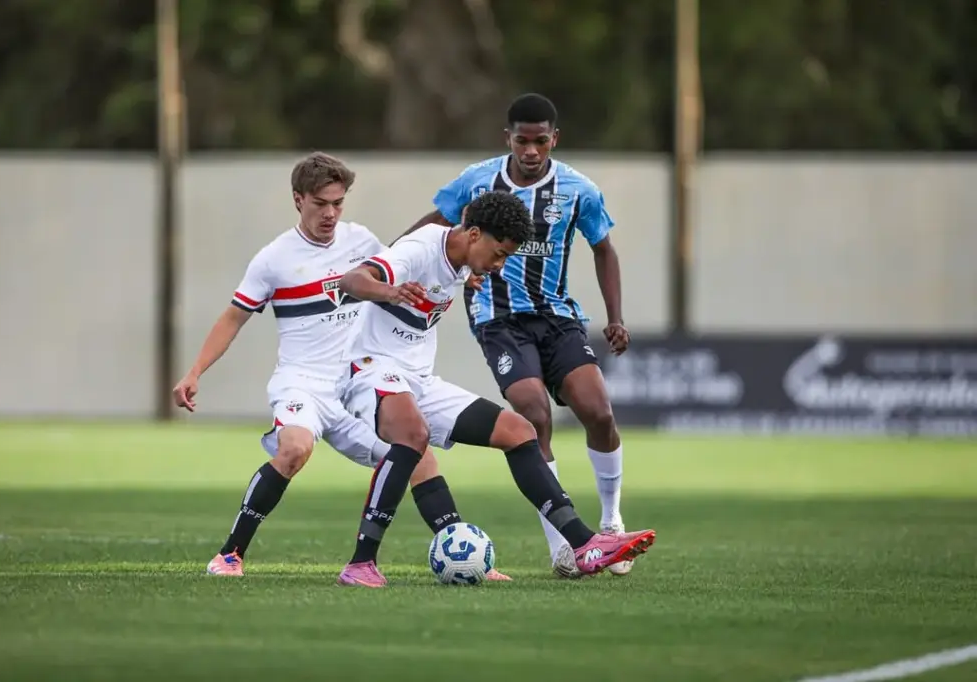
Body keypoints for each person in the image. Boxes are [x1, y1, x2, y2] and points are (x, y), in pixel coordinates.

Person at [172, 152, 509, 580]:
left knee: (417, 455)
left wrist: (464, 273)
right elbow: (233, 317)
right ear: (298, 200)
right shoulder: (274, 259)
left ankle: (467, 556)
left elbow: (408, 263)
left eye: (338, 203)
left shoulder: (362, 242)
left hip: (356, 379)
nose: (330, 213)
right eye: (320, 203)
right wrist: (194, 372)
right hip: (303, 383)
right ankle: (230, 554)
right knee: (294, 448)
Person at [333, 190, 655, 588]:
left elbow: (457, 270)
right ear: (473, 233)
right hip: (367, 369)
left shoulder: (460, 258)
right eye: (499, 253)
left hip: (416, 379)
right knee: (412, 435)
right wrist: (389, 291)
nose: (501, 264)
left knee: (520, 432)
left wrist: (471, 273)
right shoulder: (417, 249)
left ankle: (584, 545)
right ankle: (360, 563)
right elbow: (352, 280)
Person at [404, 93, 637, 578]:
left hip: (557, 318)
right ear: (506, 138)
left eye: (541, 141)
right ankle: (564, 547)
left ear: (555, 139)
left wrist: (615, 316)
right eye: (522, 140)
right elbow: (436, 225)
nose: (531, 151)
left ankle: (611, 521)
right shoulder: (476, 180)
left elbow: (604, 249)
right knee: (533, 415)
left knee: (598, 410)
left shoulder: (578, 190)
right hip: (498, 319)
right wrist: (391, 260)